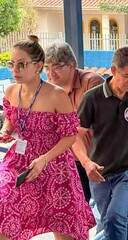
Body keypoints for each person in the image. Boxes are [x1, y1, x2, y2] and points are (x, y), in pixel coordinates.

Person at [0, 36, 95, 240]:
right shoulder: (10, 91)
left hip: (55, 166)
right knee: (4, 206)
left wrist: (44, 159)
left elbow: (70, 136)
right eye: (12, 64)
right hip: (20, 161)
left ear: (38, 66)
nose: (15, 70)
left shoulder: (56, 95)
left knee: (64, 229)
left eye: (21, 64)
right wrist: (6, 130)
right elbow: (11, 119)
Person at [74, 46, 128, 240]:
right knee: (116, 221)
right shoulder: (92, 98)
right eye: (127, 76)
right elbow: (75, 136)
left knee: (114, 216)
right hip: (99, 172)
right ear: (113, 70)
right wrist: (86, 163)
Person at [44, 42, 104, 202]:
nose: (50, 73)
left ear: (72, 65)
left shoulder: (92, 83)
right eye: (47, 67)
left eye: (57, 66)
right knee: (72, 209)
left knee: (109, 212)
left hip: (99, 157)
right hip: (72, 160)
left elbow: (99, 124)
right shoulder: (50, 91)